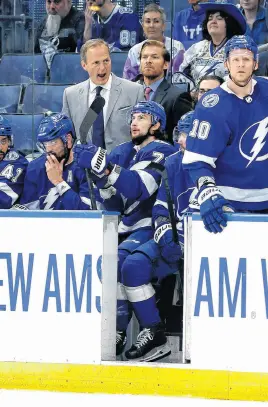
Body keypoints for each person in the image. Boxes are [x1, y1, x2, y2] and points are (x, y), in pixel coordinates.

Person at [73, 101, 177, 361]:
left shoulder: (163, 151)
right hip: (127, 228)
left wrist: (105, 169)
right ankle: (118, 331)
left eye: (142, 117)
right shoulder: (123, 152)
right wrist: (100, 179)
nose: (134, 122)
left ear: (156, 124)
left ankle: (154, 331)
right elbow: (114, 203)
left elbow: (140, 188)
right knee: (113, 264)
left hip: (155, 227)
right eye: (133, 117)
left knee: (131, 266)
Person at [116, 111, 195, 362]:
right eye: (181, 134)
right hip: (178, 238)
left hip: (209, 242)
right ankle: (152, 332)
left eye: (189, 135)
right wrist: (166, 235)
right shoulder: (173, 162)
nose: (182, 141)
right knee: (132, 265)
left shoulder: (224, 162)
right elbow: (162, 207)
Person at [182, 35, 268, 235]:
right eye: (235, 60)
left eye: (246, 60)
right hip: (229, 202)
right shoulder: (212, 104)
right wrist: (207, 192)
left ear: (255, 64)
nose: (241, 65)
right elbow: (196, 160)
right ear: (226, 63)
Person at [62, 39, 144, 153]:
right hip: (85, 166)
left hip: (122, 165)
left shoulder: (134, 91)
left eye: (106, 61)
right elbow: (69, 137)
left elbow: (143, 135)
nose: (102, 68)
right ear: (84, 65)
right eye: (96, 63)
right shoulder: (70, 95)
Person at [19, 113, 91, 210]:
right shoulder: (35, 167)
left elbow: (87, 214)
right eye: (45, 144)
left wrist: (58, 182)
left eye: (53, 142)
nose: (48, 149)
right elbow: (27, 213)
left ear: (68, 140)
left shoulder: (85, 167)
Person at [178, 0, 247, 88]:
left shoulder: (238, 49)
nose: (213, 21)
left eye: (219, 18)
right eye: (210, 18)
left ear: (229, 24)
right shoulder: (196, 48)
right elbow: (182, 74)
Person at [136, 40, 192, 143]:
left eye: (154, 57)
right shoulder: (128, 90)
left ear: (166, 64)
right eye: (144, 57)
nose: (148, 61)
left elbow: (183, 135)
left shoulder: (177, 97)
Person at [123, 3, 185, 81]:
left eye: (156, 21)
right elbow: (128, 81)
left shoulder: (177, 47)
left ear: (163, 26)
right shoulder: (134, 51)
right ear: (143, 26)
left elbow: (179, 78)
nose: (151, 25)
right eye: (148, 21)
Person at [34, 0, 85, 68]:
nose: (52, 6)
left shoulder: (80, 20)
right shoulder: (43, 23)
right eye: (49, 2)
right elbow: (36, 55)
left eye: (57, 2)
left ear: (69, 2)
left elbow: (83, 51)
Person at [78, 0, 143, 52]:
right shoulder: (90, 19)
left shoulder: (127, 17)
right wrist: (88, 26)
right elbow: (81, 53)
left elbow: (124, 53)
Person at [0, 116, 28, 208]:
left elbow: (3, 201)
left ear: (9, 142)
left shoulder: (17, 163)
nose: (0, 147)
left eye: (3, 141)